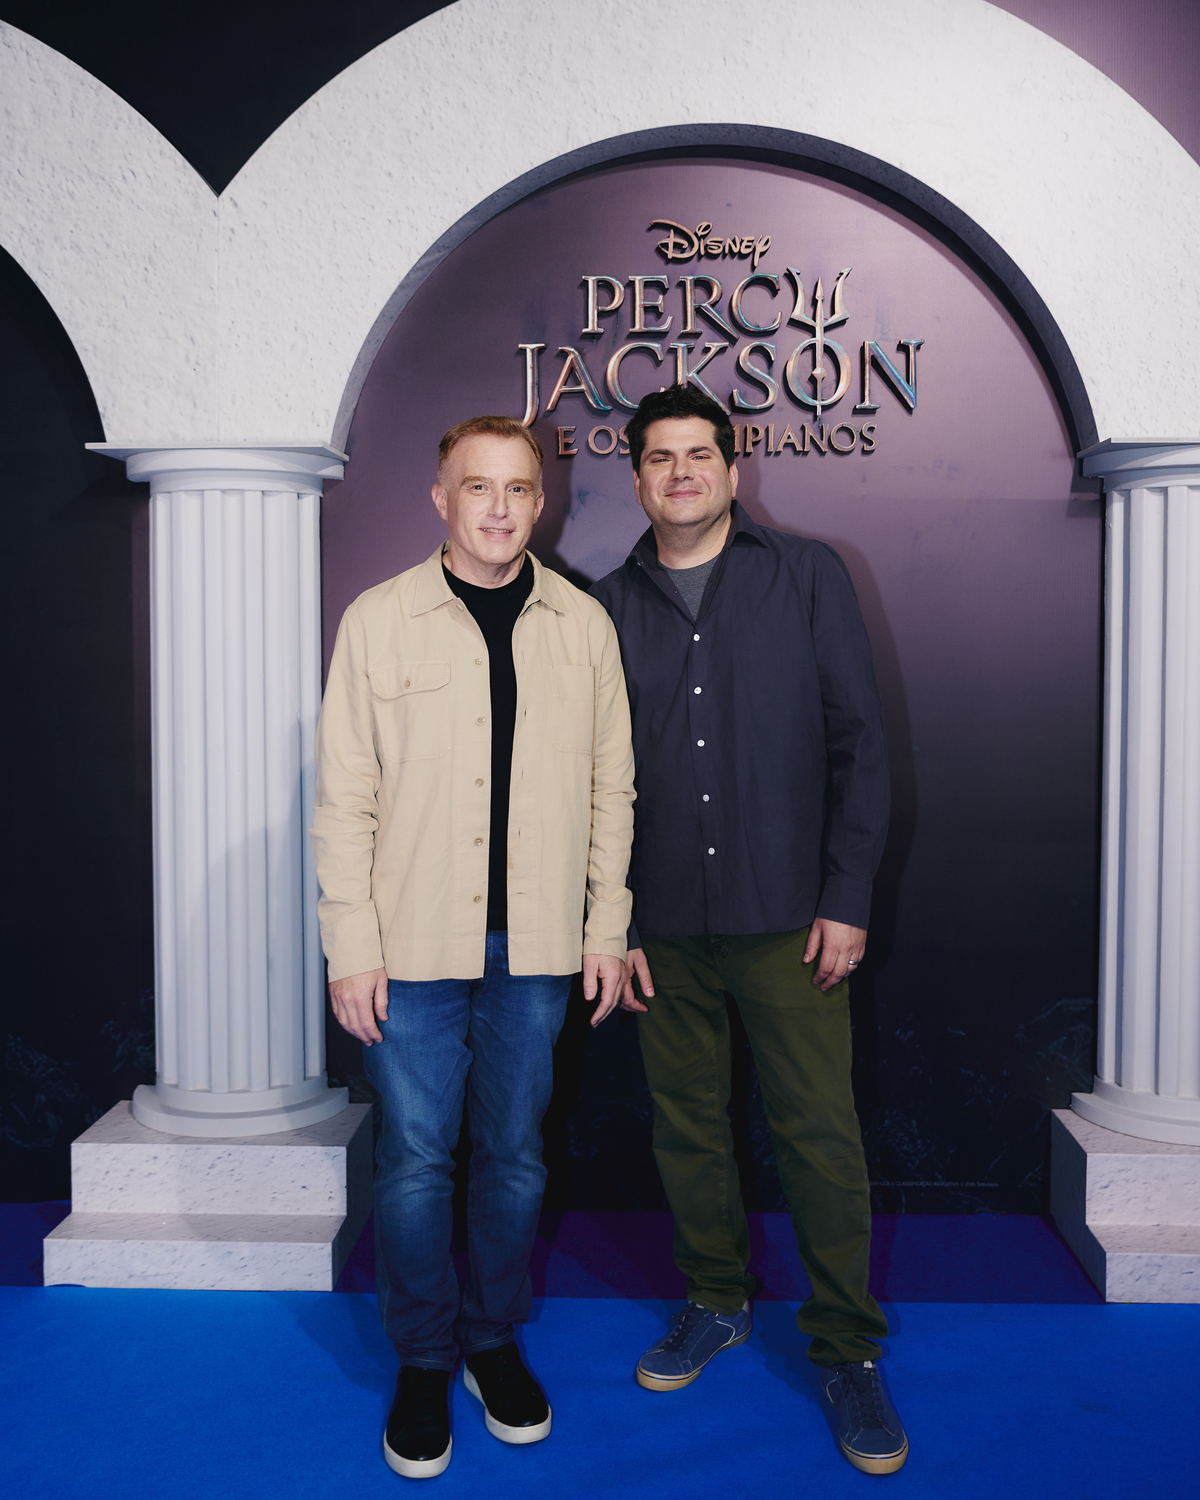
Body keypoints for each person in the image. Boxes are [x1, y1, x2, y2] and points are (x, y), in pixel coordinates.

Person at [590, 386, 908, 1476]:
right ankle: (717, 1301)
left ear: (733, 470)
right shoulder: (604, 606)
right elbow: (594, 779)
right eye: (660, 457)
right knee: (687, 1126)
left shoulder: (809, 575)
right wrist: (615, 916)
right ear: (638, 478)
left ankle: (847, 1348)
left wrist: (847, 895)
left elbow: (860, 745)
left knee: (819, 1132)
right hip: (663, 926)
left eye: (699, 454)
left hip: (792, 922)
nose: (680, 473)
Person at [311, 415, 634, 1479]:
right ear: (440, 498)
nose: (500, 507)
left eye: (519, 488)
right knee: (414, 1161)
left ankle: (491, 1340)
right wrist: (350, 947)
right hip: (409, 949)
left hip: (535, 949)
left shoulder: (583, 626)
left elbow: (613, 789)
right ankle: (422, 1357)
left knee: (514, 1155)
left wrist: (604, 926)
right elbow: (344, 798)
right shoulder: (377, 620)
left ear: (542, 501)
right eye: (478, 486)